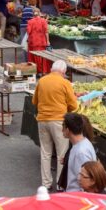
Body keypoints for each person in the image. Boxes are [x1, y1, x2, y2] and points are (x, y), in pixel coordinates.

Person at [32, 60, 78, 191]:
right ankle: (59, 183)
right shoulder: (65, 83)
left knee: (45, 153)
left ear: (52, 69)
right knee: (61, 154)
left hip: (42, 120)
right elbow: (73, 105)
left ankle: (46, 183)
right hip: (58, 121)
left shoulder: (41, 81)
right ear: (63, 72)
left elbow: (34, 100)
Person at [58, 115, 94, 191]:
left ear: (68, 130)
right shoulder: (79, 145)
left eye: (63, 127)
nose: (62, 130)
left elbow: (85, 181)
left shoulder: (81, 152)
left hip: (76, 196)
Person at [27, 8, 51, 73]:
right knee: (43, 57)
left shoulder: (30, 21)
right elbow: (46, 32)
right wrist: (48, 41)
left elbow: (28, 32)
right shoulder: (44, 21)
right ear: (39, 13)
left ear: (33, 13)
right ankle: (44, 71)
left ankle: (36, 71)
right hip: (42, 41)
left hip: (33, 42)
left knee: (33, 57)